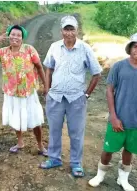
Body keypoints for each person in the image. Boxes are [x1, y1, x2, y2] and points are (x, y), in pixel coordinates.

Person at [88, 33, 137, 191]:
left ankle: (123, 179)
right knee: (108, 150)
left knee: (129, 151)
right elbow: (109, 90)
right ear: (130, 48)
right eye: (135, 46)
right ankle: (99, 175)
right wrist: (113, 116)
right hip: (118, 118)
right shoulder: (119, 67)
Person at [39, 15, 102, 177]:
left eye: (71, 29)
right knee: (54, 130)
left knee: (76, 132)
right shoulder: (54, 47)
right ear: (61, 31)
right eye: (66, 29)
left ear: (77, 30)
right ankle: (54, 158)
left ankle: (76, 163)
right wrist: (47, 90)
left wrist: (86, 94)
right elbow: (49, 69)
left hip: (76, 99)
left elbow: (97, 73)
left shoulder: (85, 48)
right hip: (56, 97)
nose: (69, 33)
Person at [0, 25, 47, 155]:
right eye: (13, 34)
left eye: (18, 35)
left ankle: (40, 145)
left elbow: (40, 67)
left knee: (35, 119)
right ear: (9, 36)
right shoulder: (3, 52)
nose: (15, 37)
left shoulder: (29, 50)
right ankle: (20, 142)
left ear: (22, 38)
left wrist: (46, 85)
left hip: (28, 92)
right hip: (12, 93)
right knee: (16, 118)